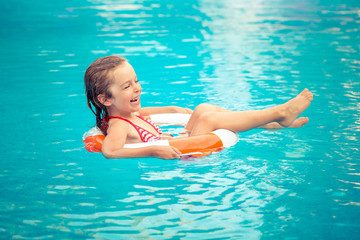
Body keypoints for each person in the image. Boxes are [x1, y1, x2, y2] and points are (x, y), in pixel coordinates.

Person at [84, 55, 313, 160]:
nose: (137, 88)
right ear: (106, 99)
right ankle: (280, 113)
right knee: (207, 120)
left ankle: (269, 124)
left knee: (202, 108)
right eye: (127, 86)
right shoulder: (118, 125)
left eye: (136, 81)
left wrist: (178, 110)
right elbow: (110, 151)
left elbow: (164, 111)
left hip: (178, 138)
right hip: (184, 155)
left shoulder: (130, 112)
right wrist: (152, 151)